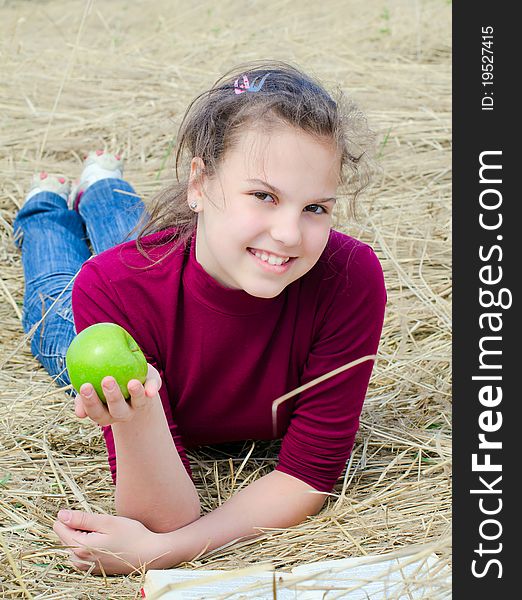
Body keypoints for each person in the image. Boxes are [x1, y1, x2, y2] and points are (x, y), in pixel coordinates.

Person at [13, 60, 387, 575]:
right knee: (62, 291)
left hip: (170, 274)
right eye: (264, 196)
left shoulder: (349, 277)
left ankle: (102, 185)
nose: (289, 235)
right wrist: (138, 413)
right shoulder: (111, 288)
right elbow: (162, 515)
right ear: (199, 183)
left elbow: (307, 476)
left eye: (316, 208)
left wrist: (163, 553)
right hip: (127, 298)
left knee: (137, 244)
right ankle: (44, 207)